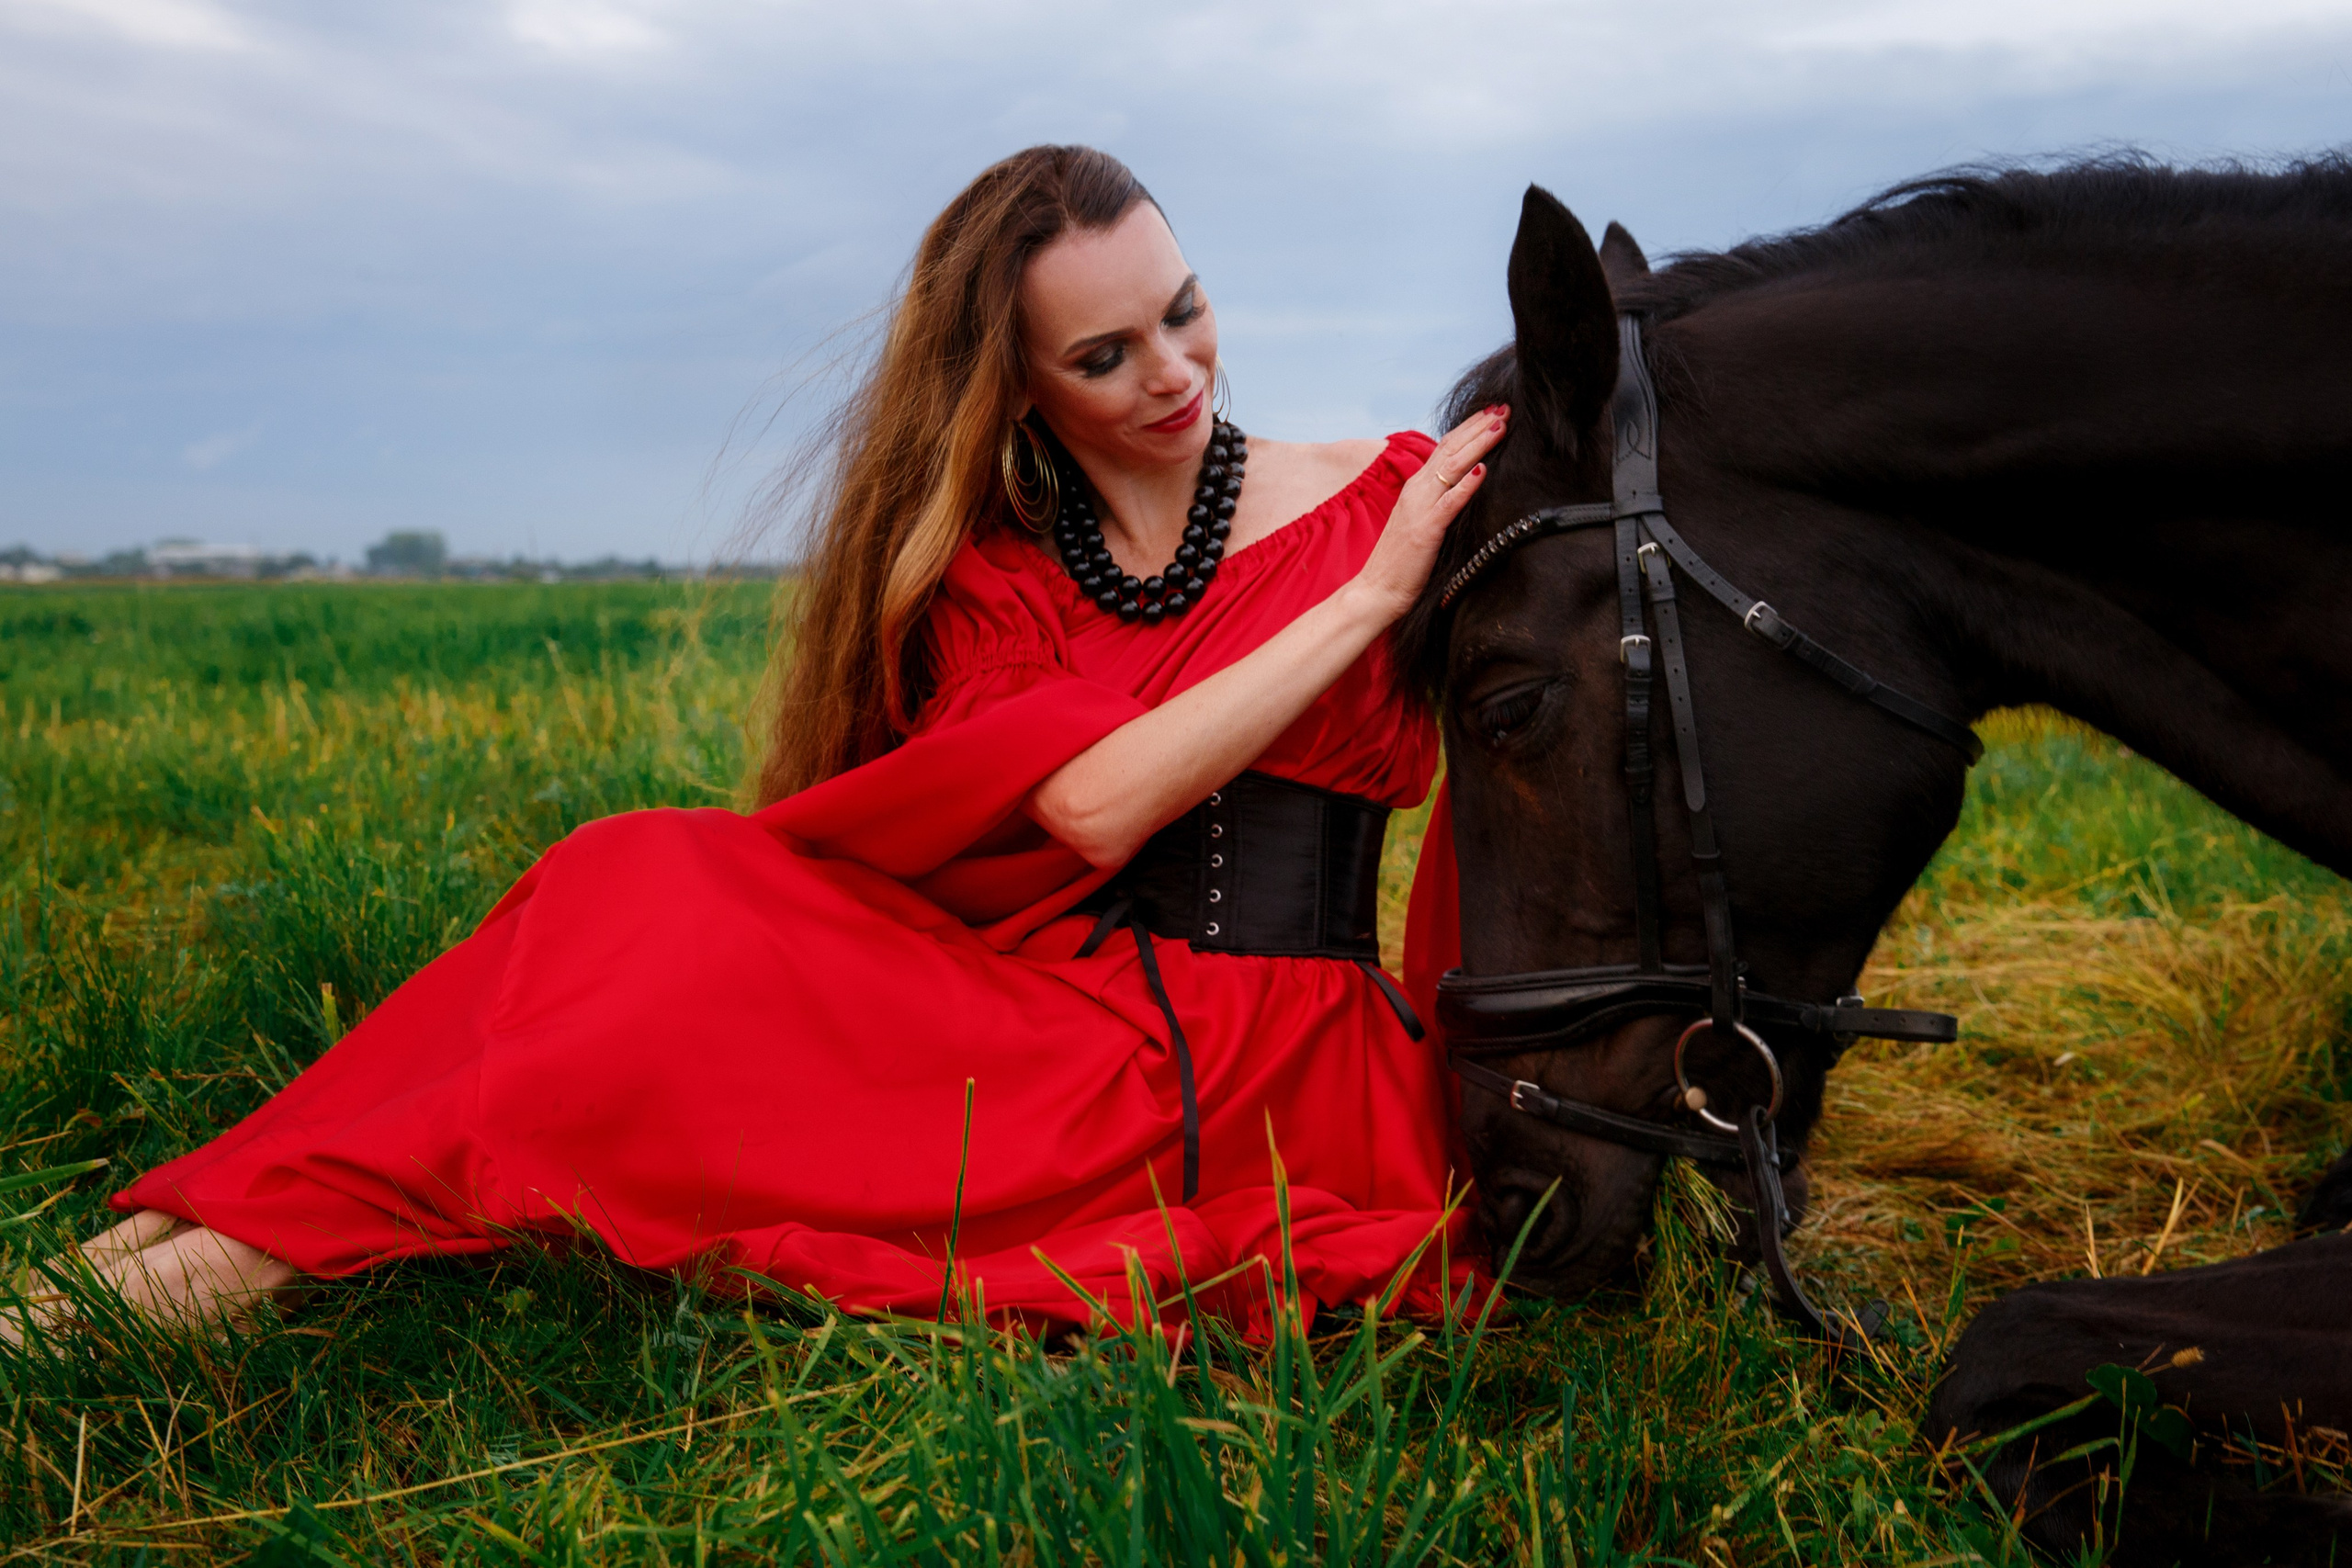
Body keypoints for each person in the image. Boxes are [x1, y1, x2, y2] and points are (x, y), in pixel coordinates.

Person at [13, 145, 1505, 1342]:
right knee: (636, 884)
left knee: (611, 1053)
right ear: (1021, 391)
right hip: (1051, 1019)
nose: (1174, 371)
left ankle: (208, 1270)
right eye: (1104, 355)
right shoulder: (1005, 575)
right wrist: (1366, 608)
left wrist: (1385, 582)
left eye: (1183, 309)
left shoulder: (1394, 497)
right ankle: (184, 1240)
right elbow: (1092, 810)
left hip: (1272, 1065)